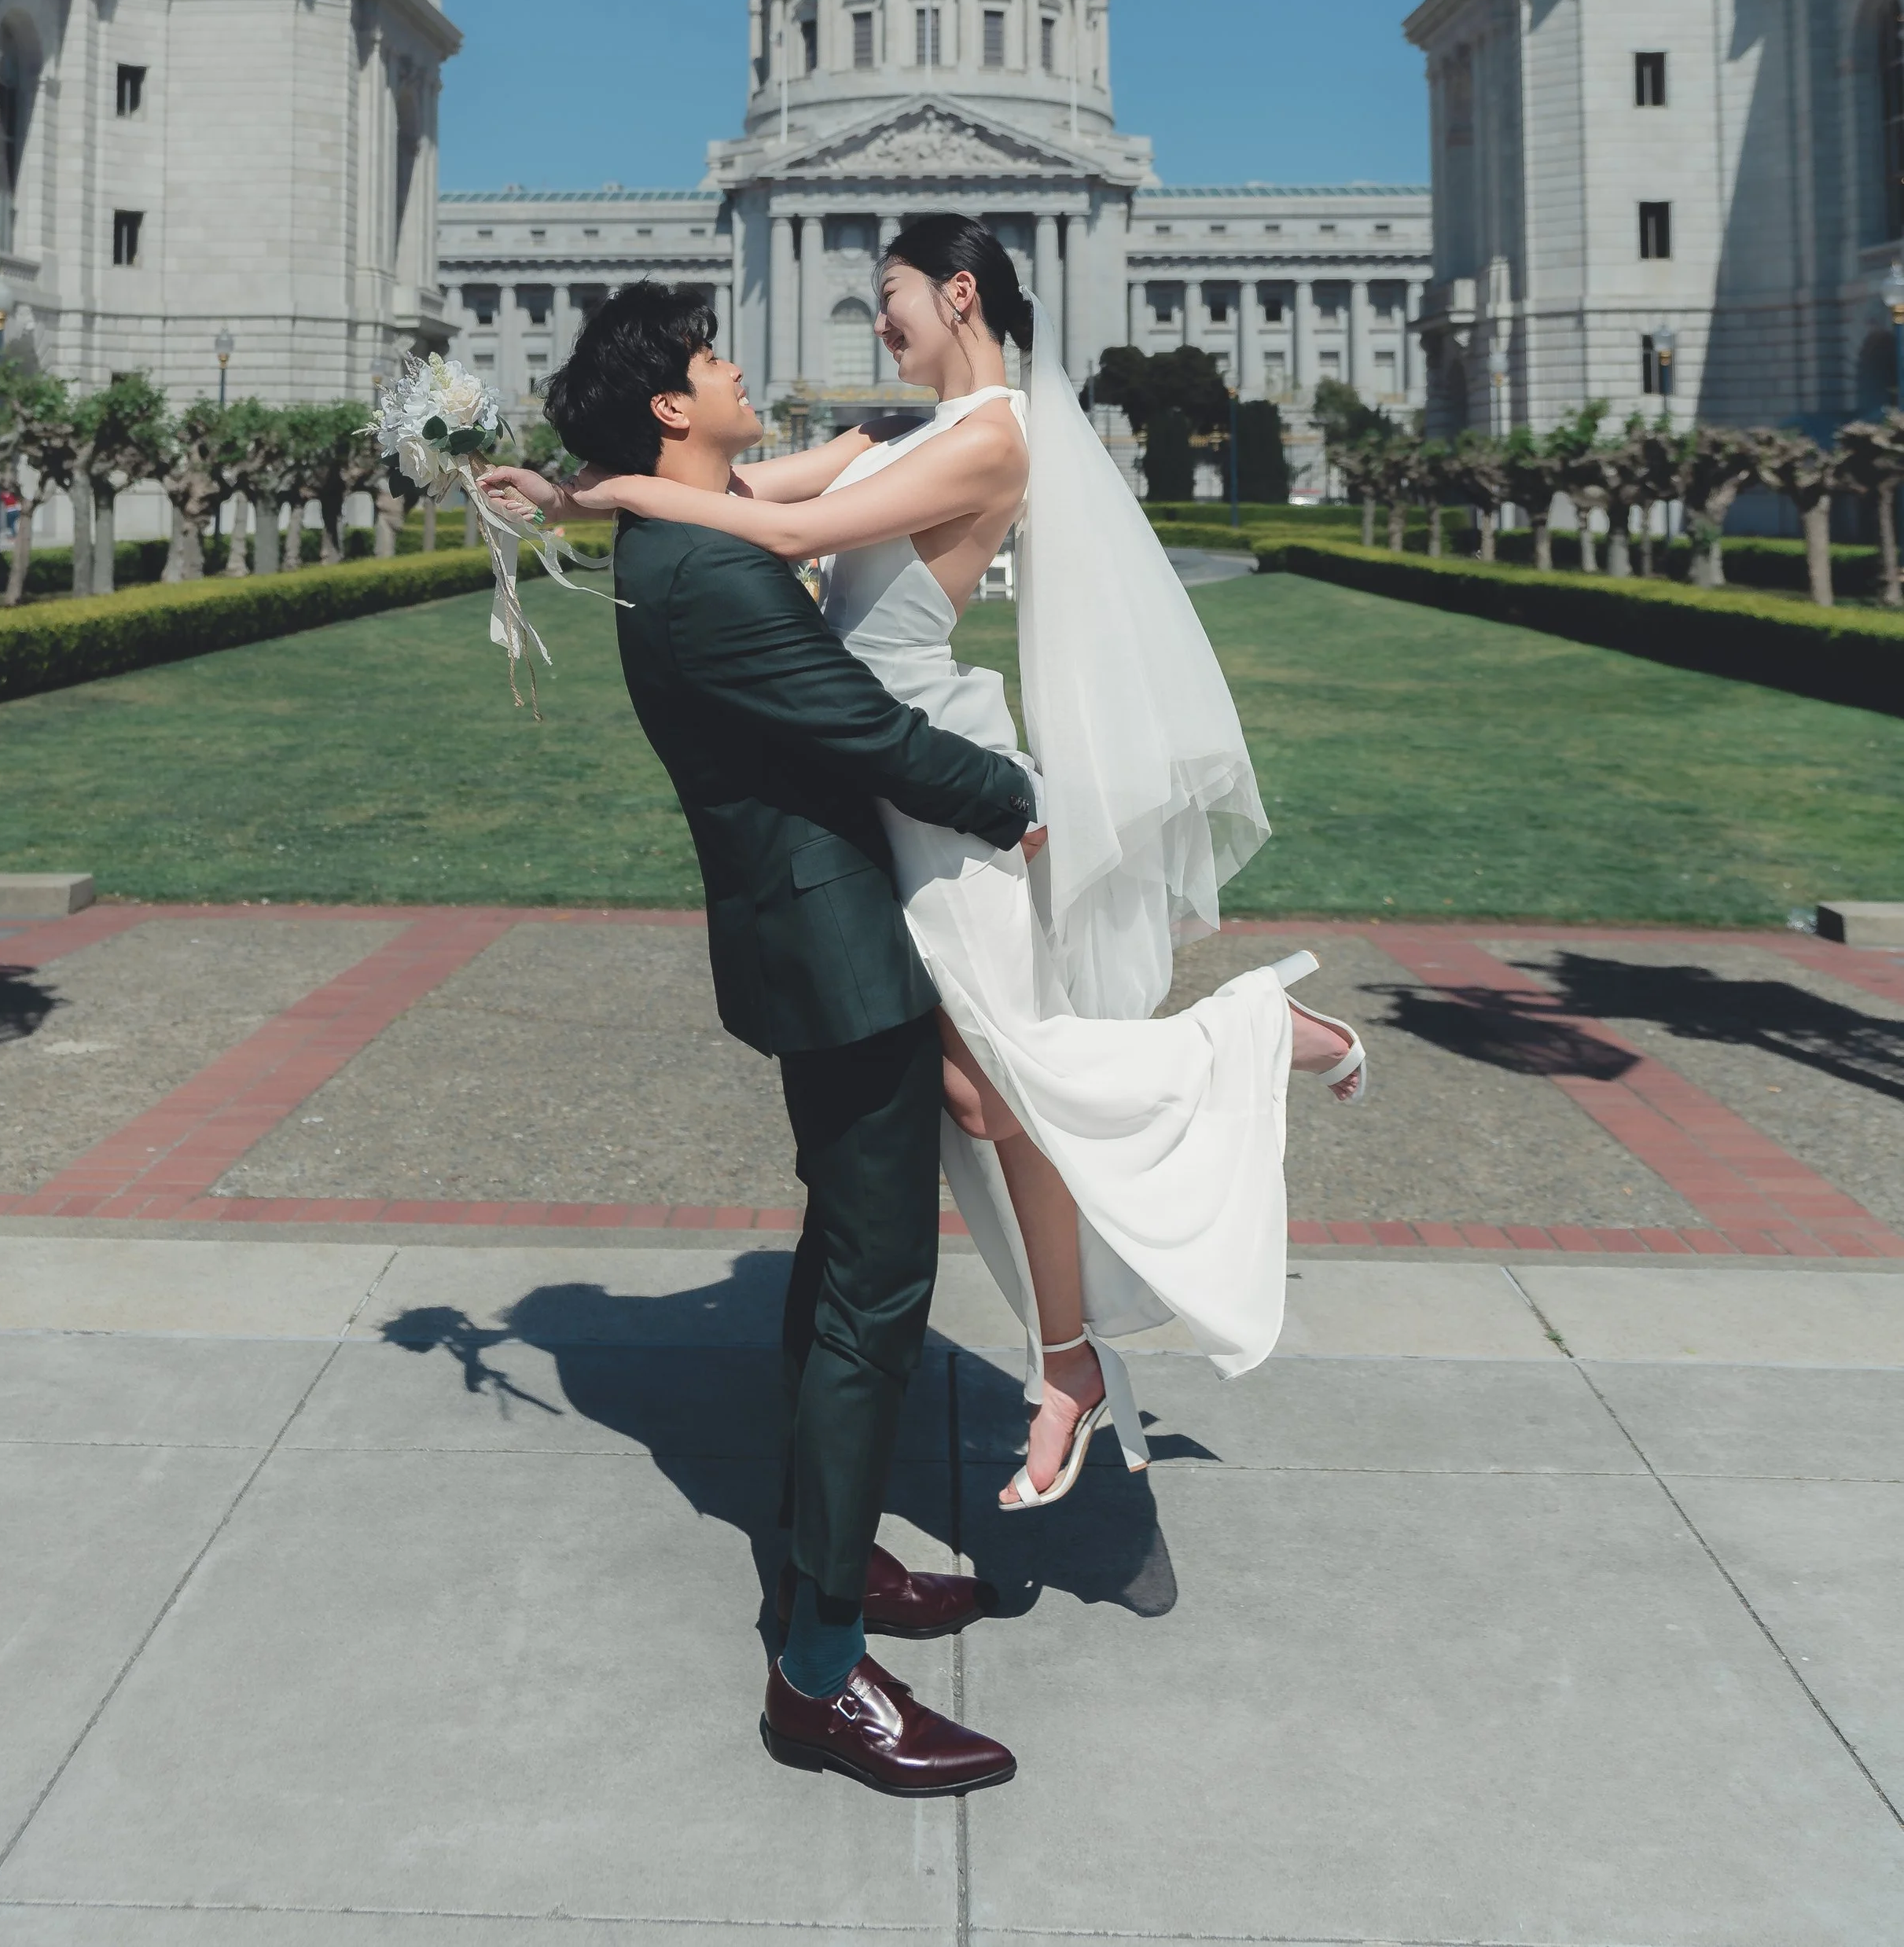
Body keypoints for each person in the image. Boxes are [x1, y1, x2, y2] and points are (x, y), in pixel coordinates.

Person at [487, 222, 1365, 1523]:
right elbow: (755, 494)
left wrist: (608, 495)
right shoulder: (904, 433)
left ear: (957, 292)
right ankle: (1065, 1356)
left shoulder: (992, 435)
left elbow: (790, 540)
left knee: (1024, 1064)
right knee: (977, 1089)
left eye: (889, 299)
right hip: (886, 781)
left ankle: (1262, 1031)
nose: (878, 322)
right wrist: (574, 490)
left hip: (935, 768)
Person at [502, 281, 1035, 1798]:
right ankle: (817, 1673)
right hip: (836, 948)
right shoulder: (705, 575)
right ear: (675, 405)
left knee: (840, 1269)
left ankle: (840, 1561)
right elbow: (868, 734)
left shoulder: (679, 526)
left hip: (815, 927)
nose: (744, 369)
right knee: (878, 1291)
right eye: (715, 357)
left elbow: (835, 457)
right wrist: (1025, 801)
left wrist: (571, 478)